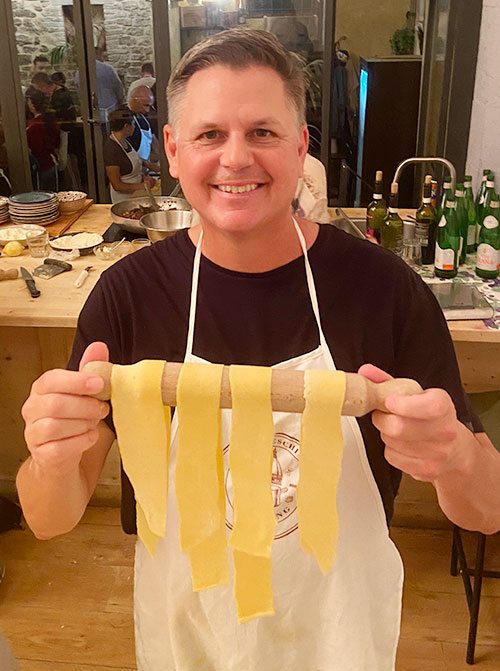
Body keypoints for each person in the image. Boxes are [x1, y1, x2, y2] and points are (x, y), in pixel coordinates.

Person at [17, 29, 500, 671]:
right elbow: (50, 520)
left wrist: (455, 456)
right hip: (188, 632)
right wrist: (52, 458)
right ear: (173, 149)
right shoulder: (128, 296)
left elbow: (488, 511)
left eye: (264, 133)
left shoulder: (384, 290)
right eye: (211, 133)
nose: (236, 159)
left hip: (336, 634)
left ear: (302, 147)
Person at [103, 106, 156, 203]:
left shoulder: (124, 140)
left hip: (136, 195)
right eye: (133, 124)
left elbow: (134, 161)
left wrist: (145, 176)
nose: (134, 127)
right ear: (126, 127)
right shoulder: (111, 149)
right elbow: (117, 185)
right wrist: (142, 186)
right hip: (124, 200)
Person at [75, 48, 124, 124]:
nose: (104, 58)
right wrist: (120, 102)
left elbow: (80, 93)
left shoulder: (79, 72)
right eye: (102, 55)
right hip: (111, 110)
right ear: (97, 55)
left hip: (91, 114)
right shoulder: (109, 69)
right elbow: (118, 88)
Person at [25, 89, 60, 191]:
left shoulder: (35, 126)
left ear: (31, 104)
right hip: (51, 162)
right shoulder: (50, 120)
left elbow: (37, 148)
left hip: (42, 166)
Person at [126, 85, 159, 170]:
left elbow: (152, 139)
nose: (147, 110)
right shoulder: (124, 118)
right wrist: (148, 165)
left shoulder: (143, 116)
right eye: (146, 105)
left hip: (143, 169)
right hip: (131, 171)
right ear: (134, 100)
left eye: (149, 106)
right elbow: (123, 152)